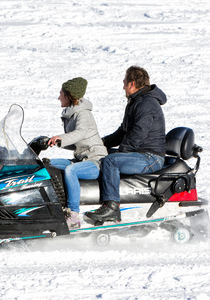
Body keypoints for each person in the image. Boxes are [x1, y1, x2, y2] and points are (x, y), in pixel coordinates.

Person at [85, 66, 167, 223]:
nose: (123, 85)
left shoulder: (147, 104)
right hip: (141, 153)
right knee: (105, 154)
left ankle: (112, 207)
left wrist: (120, 153)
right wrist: (99, 143)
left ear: (132, 84)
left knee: (111, 161)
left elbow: (138, 135)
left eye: (124, 82)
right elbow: (123, 132)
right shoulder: (136, 102)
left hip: (150, 157)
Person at [47, 77, 108, 228]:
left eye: (61, 94)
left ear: (69, 96)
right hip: (81, 159)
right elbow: (76, 142)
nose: (58, 97)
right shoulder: (70, 114)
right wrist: (56, 142)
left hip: (95, 162)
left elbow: (80, 133)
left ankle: (73, 215)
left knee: (70, 170)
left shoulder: (83, 114)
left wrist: (61, 138)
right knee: (48, 164)